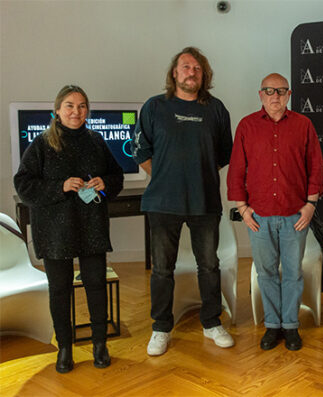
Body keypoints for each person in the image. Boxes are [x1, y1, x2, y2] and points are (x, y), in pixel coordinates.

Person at [14, 85, 124, 373]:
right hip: (54, 231)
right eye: (70, 106)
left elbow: (116, 177)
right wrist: (59, 186)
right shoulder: (41, 144)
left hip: (92, 227)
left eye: (82, 106)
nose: (76, 111)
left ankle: (100, 344)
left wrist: (106, 183)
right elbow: (23, 185)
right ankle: (64, 348)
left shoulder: (97, 141)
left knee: (96, 286)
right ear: (57, 111)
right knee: (60, 290)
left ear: (87, 111)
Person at [132, 47, 234, 355]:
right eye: (186, 67)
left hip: (205, 202)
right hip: (162, 203)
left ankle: (212, 323)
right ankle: (161, 328)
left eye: (198, 68)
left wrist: (197, 175)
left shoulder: (216, 109)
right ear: (174, 73)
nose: (192, 72)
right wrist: (165, 175)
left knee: (209, 265)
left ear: (204, 76)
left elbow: (223, 155)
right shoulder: (154, 107)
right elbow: (141, 152)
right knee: (162, 269)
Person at [227, 73, 323, 351]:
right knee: (266, 272)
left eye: (281, 91)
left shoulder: (304, 125)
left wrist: (310, 205)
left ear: (289, 94)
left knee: (293, 273)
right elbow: (236, 169)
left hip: (296, 215)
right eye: (269, 91)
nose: (275, 96)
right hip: (258, 217)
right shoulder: (246, 126)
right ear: (261, 94)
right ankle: (272, 325)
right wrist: (243, 209)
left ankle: (291, 326)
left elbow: (316, 167)